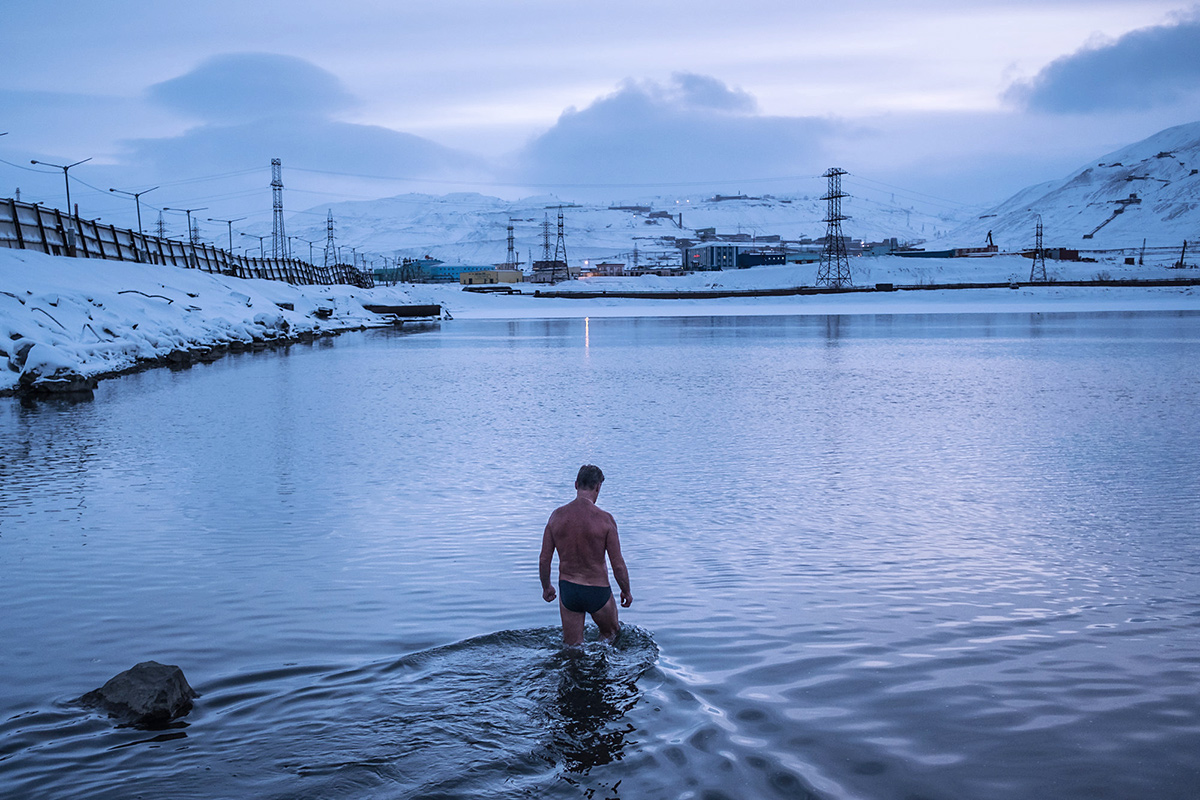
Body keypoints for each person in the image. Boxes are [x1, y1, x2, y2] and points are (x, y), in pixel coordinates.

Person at [539, 464, 632, 646]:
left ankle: (573, 673)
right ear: (598, 487)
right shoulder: (605, 520)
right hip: (597, 590)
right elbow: (618, 564)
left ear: (576, 484)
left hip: (569, 589)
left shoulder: (556, 517)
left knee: (572, 647)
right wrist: (626, 590)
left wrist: (546, 587)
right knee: (611, 633)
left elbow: (544, 559)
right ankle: (601, 671)